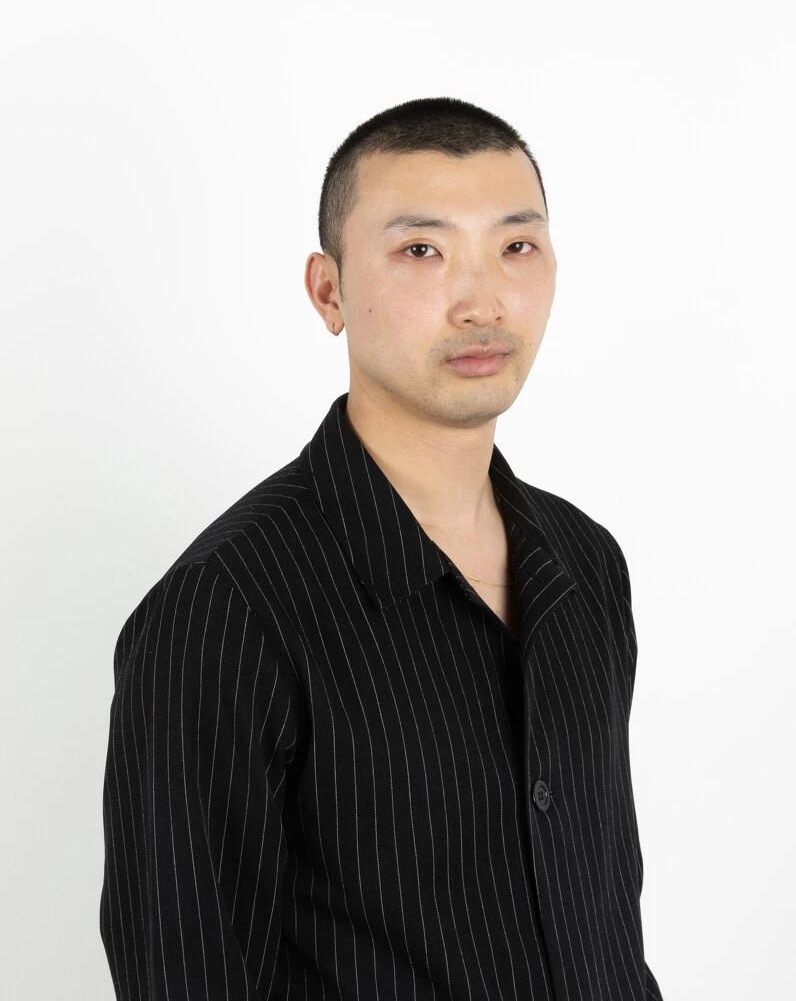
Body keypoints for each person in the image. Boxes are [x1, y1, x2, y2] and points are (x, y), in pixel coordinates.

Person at [100, 96, 664, 999]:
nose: (481, 299)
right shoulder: (224, 609)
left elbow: (606, 926)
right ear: (329, 290)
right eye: (421, 250)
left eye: (516, 245)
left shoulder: (584, 563)